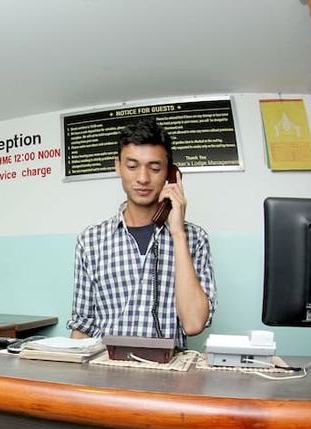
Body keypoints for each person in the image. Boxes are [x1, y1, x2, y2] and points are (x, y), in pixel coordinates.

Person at [67, 116, 216, 348]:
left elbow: (194, 324)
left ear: (170, 174)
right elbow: (82, 327)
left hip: (168, 368)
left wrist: (177, 233)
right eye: (132, 166)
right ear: (118, 166)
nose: (143, 178)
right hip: (104, 366)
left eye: (155, 168)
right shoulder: (91, 240)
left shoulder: (195, 239)